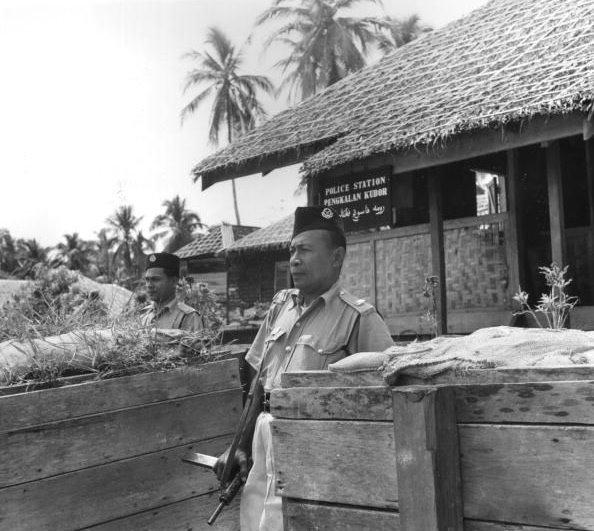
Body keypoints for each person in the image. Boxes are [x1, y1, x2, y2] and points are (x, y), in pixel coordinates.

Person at [215, 206, 393, 531]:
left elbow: (384, 399)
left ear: (336, 257)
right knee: (256, 523)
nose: (295, 259)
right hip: (264, 437)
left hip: (315, 448)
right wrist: (238, 444)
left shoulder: (358, 318)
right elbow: (259, 383)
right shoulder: (279, 306)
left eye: (306, 250)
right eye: (293, 250)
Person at [140, 252, 204, 332]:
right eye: (147, 280)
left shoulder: (188, 317)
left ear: (174, 281)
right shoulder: (144, 314)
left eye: (155, 279)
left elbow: (198, 344)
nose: (149, 285)